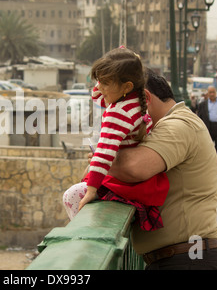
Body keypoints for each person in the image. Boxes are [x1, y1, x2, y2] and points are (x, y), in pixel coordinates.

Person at [107, 70, 217, 270]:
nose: (120, 114)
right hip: (182, 258)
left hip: (189, 259)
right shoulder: (169, 125)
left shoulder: (179, 125)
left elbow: (134, 167)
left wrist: (101, 157)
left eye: (122, 106)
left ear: (145, 98)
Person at [62, 47, 169, 231]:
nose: (99, 88)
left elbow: (104, 152)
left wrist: (92, 190)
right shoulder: (134, 100)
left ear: (126, 86)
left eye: (105, 83)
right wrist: (115, 64)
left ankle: (82, 234)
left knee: (71, 196)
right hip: (145, 182)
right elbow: (97, 95)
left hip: (126, 184)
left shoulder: (118, 112)